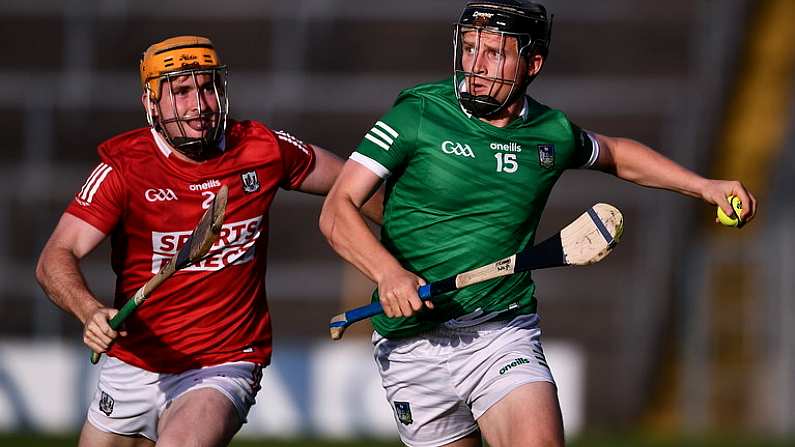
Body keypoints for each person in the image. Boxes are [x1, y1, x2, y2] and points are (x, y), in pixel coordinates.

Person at [319, 1, 758, 446]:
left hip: (500, 332)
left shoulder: (551, 133)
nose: (476, 65)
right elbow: (338, 209)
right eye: (470, 48)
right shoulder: (418, 115)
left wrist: (704, 186)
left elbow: (617, 154)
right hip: (410, 348)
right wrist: (387, 273)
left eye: (494, 53)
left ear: (532, 63)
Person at [35, 35, 381, 447]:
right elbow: (56, 255)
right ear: (151, 103)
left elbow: (356, 186)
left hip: (224, 361)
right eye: (180, 92)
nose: (198, 105)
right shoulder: (124, 168)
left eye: (206, 87)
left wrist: (407, 250)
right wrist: (89, 311)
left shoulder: (261, 148)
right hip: (135, 361)